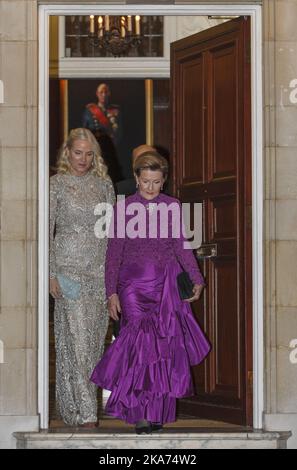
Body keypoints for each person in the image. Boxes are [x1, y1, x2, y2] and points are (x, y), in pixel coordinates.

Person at [90, 151, 211, 433]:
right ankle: (139, 414)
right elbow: (113, 255)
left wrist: (197, 279)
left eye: (156, 182)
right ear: (136, 178)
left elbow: (182, 246)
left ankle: (157, 412)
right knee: (139, 348)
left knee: (162, 350)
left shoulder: (172, 206)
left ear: (164, 180)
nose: (150, 188)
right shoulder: (123, 209)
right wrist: (111, 293)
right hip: (132, 287)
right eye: (145, 182)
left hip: (165, 287)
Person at [49, 127, 115, 428]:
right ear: (67, 152)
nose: (83, 159)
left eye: (89, 154)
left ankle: (74, 407)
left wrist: (114, 279)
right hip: (68, 271)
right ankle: (88, 414)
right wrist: (51, 274)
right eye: (78, 152)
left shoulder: (104, 185)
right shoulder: (56, 185)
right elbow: (45, 232)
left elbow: (113, 235)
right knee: (75, 342)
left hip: (99, 273)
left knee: (91, 344)